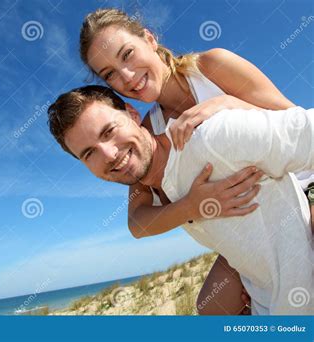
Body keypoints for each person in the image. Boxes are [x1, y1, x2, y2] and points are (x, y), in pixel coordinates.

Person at [78, 8, 314, 314]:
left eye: (127, 54)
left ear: (149, 39)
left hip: (304, 186)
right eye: (109, 74)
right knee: (211, 307)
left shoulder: (211, 66)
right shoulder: (148, 133)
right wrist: (191, 206)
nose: (126, 76)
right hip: (253, 225)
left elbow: (292, 121)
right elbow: (137, 222)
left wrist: (227, 104)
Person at [47, 85, 313, 315]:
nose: (109, 154)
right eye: (89, 153)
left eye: (108, 131)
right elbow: (137, 226)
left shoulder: (211, 137)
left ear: (132, 113)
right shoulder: (166, 192)